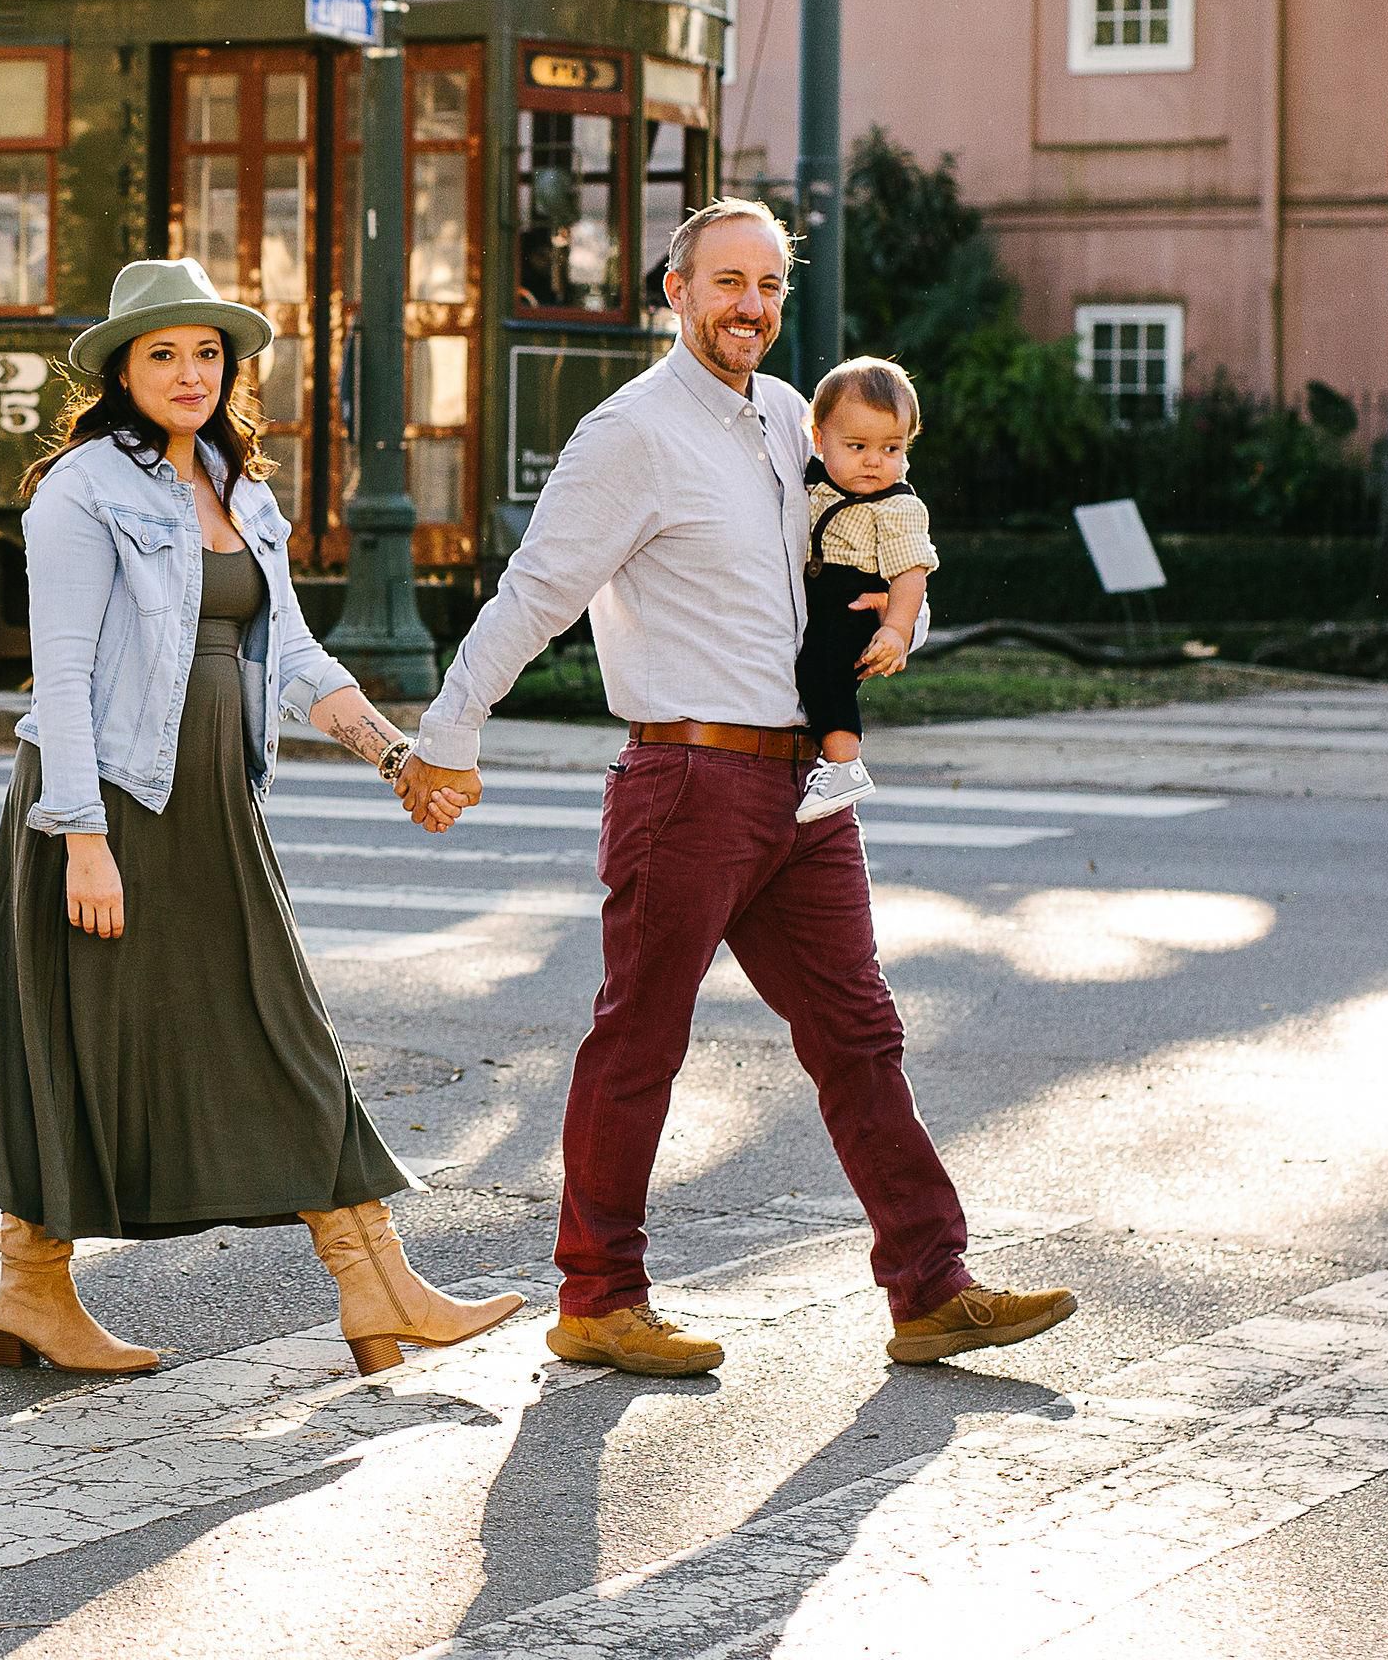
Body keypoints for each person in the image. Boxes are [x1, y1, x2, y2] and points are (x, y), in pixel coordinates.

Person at [394, 199, 1075, 1376]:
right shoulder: (629, 434)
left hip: (800, 787)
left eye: (766, 284)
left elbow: (841, 564)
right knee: (641, 1039)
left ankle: (928, 1287)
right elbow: (534, 592)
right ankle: (597, 1297)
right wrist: (445, 733)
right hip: (687, 778)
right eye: (725, 283)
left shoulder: (790, 420)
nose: (749, 306)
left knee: (859, 1032)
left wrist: (893, 623)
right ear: (674, 290)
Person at [0, 256, 523, 1379]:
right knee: (71, 1036)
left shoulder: (242, 491)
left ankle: (372, 1281)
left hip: (210, 805)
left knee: (274, 1023)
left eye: (207, 351)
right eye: (162, 352)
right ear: (119, 370)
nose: (189, 371)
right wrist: (81, 841)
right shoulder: (77, 491)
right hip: (110, 801)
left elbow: (288, 652)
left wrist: (392, 755)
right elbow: (56, 674)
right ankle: (35, 1287)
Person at [794, 356, 938, 823]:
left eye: (892, 448)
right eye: (857, 446)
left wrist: (897, 629)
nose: (875, 461)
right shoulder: (817, 481)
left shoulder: (897, 506)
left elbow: (910, 572)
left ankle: (843, 765)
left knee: (824, 669)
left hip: (852, 599)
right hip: (819, 595)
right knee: (814, 671)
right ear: (820, 440)